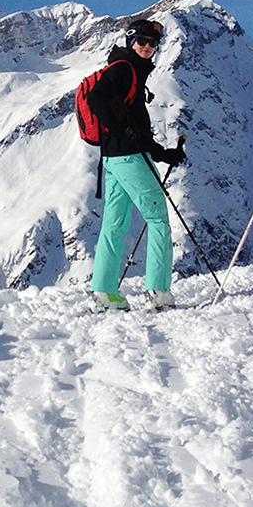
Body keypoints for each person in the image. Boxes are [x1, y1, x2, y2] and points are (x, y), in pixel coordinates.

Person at [86, 18, 187, 311]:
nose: (147, 47)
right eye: (141, 42)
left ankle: (104, 292)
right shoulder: (124, 69)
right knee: (158, 219)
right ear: (131, 42)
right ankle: (158, 291)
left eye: (152, 43)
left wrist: (162, 153)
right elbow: (97, 98)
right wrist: (120, 127)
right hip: (128, 157)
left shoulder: (131, 71)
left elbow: (134, 126)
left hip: (115, 158)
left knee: (114, 224)